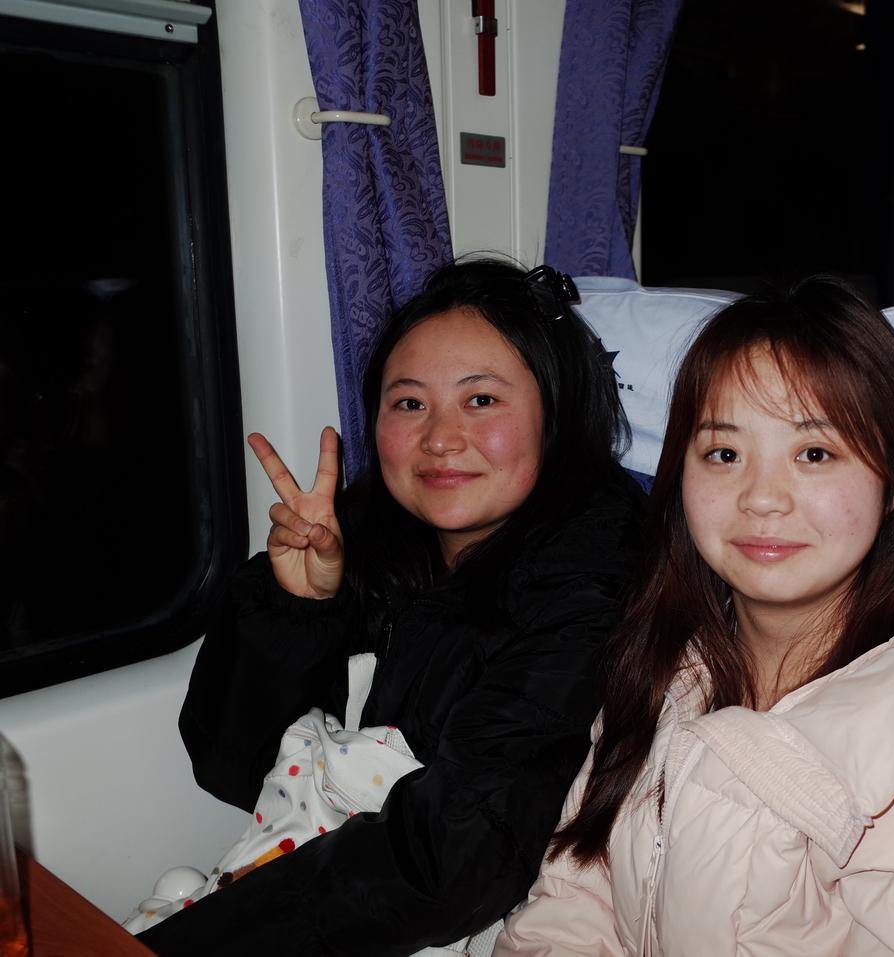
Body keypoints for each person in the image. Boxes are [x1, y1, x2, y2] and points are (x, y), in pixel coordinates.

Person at [495, 276, 894, 956]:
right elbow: (574, 901)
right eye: (724, 454)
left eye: (815, 454)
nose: (762, 497)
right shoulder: (671, 657)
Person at [139, 259, 646, 956]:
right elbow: (233, 767)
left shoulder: (596, 585)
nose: (439, 438)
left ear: (555, 416)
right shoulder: (367, 535)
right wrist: (298, 608)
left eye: (481, 400)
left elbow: (454, 855)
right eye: (409, 404)